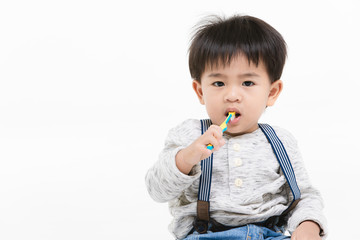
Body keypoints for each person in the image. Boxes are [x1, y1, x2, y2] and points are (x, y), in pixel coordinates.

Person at [145, 15, 327, 240]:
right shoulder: (189, 134)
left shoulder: (280, 141)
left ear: (271, 93)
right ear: (201, 91)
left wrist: (308, 225)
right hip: (205, 235)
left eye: (248, 83)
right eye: (218, 83)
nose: (232, 95)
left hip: (269, 235)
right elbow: (156, 190)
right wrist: (186, 158)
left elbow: (304, 196)